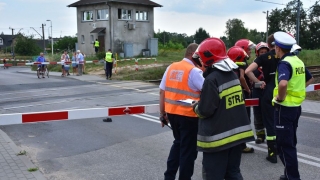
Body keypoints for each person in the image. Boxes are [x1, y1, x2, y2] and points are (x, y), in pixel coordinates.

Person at [193, 38, 254, 180]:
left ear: (207, 59)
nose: (200, 62)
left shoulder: (211, 79)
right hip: (236, 138)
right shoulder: (232, 75)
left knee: (214, 175)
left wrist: (196, 107)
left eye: (201, 59)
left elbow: (206, 110)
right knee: (233, 173)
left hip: (218, 140)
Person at [159, 43, 204, 180]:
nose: (201, 60)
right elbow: (209, 91)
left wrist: (163, 114)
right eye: (200, 56)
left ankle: (169, 176)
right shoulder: (194, 71)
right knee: (188, 152)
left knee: (178, 143)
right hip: (189, 116)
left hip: (172, 114)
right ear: (193, 54)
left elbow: (162, 91)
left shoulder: (171, 67)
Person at [272, 31, 313, 180]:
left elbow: (283, 83)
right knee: (290, 143)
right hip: (296, 108)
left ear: (278, 48)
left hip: (284, 108)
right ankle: (289, 174)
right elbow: (309, 78)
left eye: (275, 48)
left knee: (284, 145)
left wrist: (281, 97)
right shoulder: (298, 61)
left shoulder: (284, 63)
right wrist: (297, 90)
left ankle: (293, 177)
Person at [245, 34, 280, 163]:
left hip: (268, 93)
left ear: (269, 45)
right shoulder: (285, 57)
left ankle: (272, 153)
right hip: (283, 93)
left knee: (270, 124)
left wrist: (259, 83)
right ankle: (282, 149)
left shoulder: (264, 58)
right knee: (280, 123)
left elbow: (248, 71)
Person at [234, 39, 256, 153]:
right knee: (244, 119)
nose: (250, 51)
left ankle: (239, 144)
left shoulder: (235, 61)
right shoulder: (241, 61)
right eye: (248, 49)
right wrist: (248, 89)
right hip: (243, 93)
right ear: (242, 49)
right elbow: (242, 78)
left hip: (238, 93)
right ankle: (242, 146)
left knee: (239, 119)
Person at [252, 42, 270, 144]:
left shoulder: (271, 63)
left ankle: (270, 134)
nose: (263, 54)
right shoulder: (255, 64)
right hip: (257, 91)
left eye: (265, 52)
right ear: (257, 53)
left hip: (267, 92)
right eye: (261, 52)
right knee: (257, 113)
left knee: (268, 113)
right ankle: (260, 135)